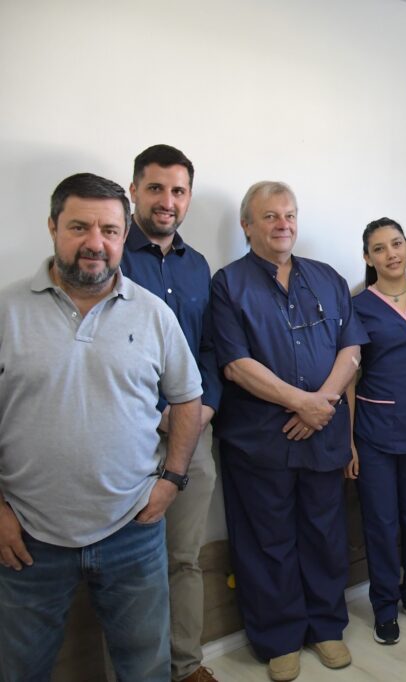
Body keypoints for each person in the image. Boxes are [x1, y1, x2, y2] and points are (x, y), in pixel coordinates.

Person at [0, 173, 202, 681]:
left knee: (145, 669)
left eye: (110, 230)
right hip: (27, 537)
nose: (96, 243)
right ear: (52, 227)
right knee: (20, 669)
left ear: (123, 234)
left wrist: (172, 479)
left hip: (132, 530)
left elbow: (187, 397)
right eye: (79, 227)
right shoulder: (7, 311)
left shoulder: (154, 314)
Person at [209, 181, 367, 682]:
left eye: (290, 215)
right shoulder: (228, 284)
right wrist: (302, 403)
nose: (284, 225)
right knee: (267, 542)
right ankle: (278, 638)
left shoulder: (327, 278)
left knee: (325, 535)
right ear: (247, 225)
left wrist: (322, 405)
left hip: (323, 435)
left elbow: (351, 349)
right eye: (271, 216)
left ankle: (326, 627)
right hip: (260, 440)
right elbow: (235, 364)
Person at [120, 144, 222, 682]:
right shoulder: (110, 256)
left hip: (193, 434)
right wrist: (159, 411)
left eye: (178, 191)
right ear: (134, 190)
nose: (167, 201)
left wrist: (205, 407)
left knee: (185, 558)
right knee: (128, 567)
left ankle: (187, 666)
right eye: (156, 188)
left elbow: (209, 348)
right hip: (129, 435)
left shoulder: (197, 265)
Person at [347, 217, 406, 645]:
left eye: (397, 243)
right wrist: (348, 440)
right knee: (381, 522)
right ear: (368, 258)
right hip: (374, 432)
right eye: (380, 248)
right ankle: (384, 605)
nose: (391, 254)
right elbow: (349, 377)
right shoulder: (358, 307)